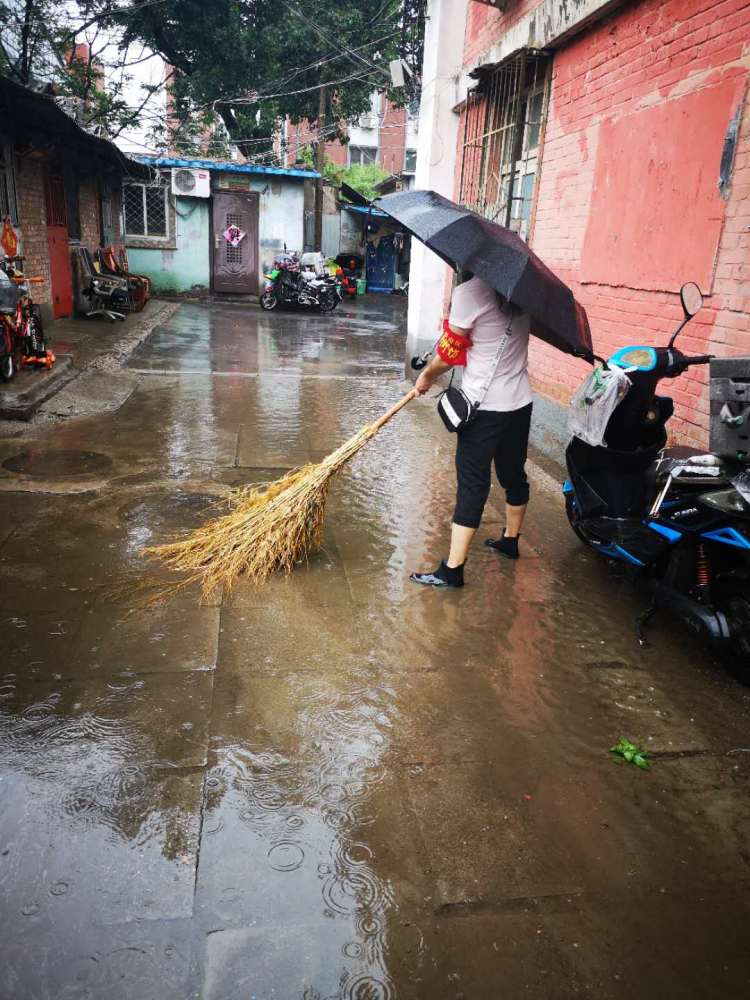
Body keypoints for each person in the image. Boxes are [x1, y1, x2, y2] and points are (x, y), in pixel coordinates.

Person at [410, 272, 533, 588]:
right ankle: (510, 540)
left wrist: (426, 376)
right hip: (520, 403)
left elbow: (450, 355)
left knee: (473, 484)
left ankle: (452, 570)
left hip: (483, 408)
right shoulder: (528, 295)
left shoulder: (470, 292)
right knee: (513, 474)